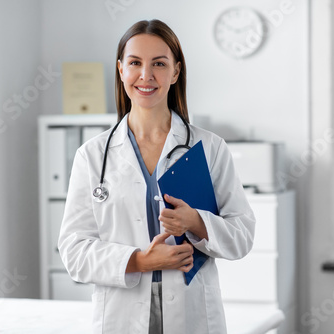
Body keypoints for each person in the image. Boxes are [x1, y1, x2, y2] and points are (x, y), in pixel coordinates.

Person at [58, 19, 255, 334]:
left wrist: (197, 222)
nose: (145, 75)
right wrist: (139, 261)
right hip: (121, 315)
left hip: (192, 312)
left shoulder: (209, 148)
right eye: (135, 63)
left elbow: (242, 236)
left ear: (176, 72)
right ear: (121, 69)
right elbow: (73, 251)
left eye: (159, 64)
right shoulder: (93, 156)